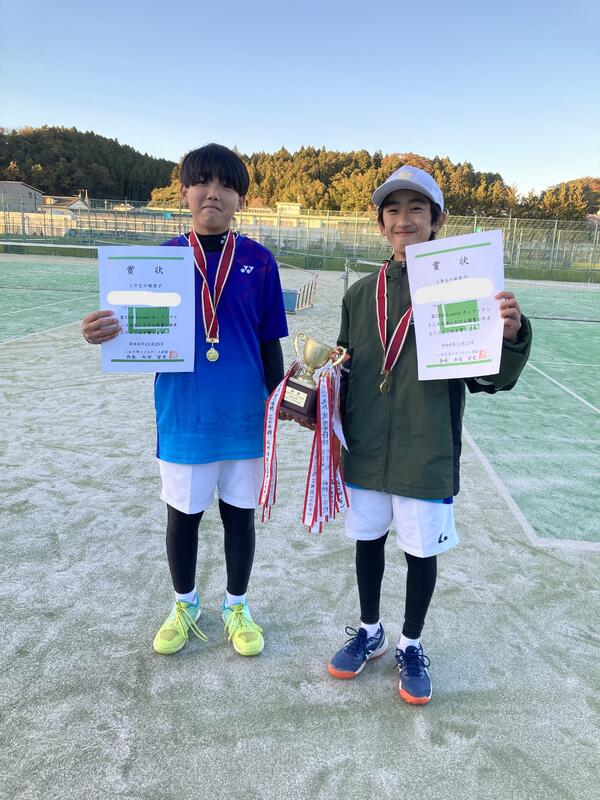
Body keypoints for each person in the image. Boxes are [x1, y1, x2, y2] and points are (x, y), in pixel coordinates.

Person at [327, 165, 532, 704]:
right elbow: (346, 361)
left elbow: (487, 378)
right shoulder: (360, 294)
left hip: (426, 447)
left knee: (421, 552)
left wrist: (509, 336)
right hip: (366, 447)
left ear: (436, 221)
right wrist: (320, 386)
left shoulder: (463, 287)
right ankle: (370, 631)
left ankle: (410, 643)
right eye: (392, 210)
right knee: (367, 541)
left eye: (416, 209)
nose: (404, 220)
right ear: (380, 224)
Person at [82, 143, 288, 657]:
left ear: (241, 199)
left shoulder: (260, 262)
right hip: (183, 413)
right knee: (183, 516)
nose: (213, 193)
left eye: (226, 185)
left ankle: (236, 605)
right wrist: (102, 332)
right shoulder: (159, 261)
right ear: (184, 192)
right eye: (202, 182)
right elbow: (129, 329)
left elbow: (269, 343)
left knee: (239, 517)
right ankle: (185, 603)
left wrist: (279, 401)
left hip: (244, 416)